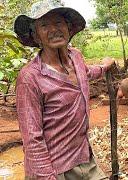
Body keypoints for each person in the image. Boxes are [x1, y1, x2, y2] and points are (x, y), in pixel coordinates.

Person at [14, 1, 114, 179]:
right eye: (44, 25)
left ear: (68, 28)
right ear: (36, 36)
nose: (53, 29)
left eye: (58, 23)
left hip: (84, 158)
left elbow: (87, 72)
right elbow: (32, 139)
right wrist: (47, 176)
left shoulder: (75, 56)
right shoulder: (30, 78)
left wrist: (105, 66)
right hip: (54, 169)